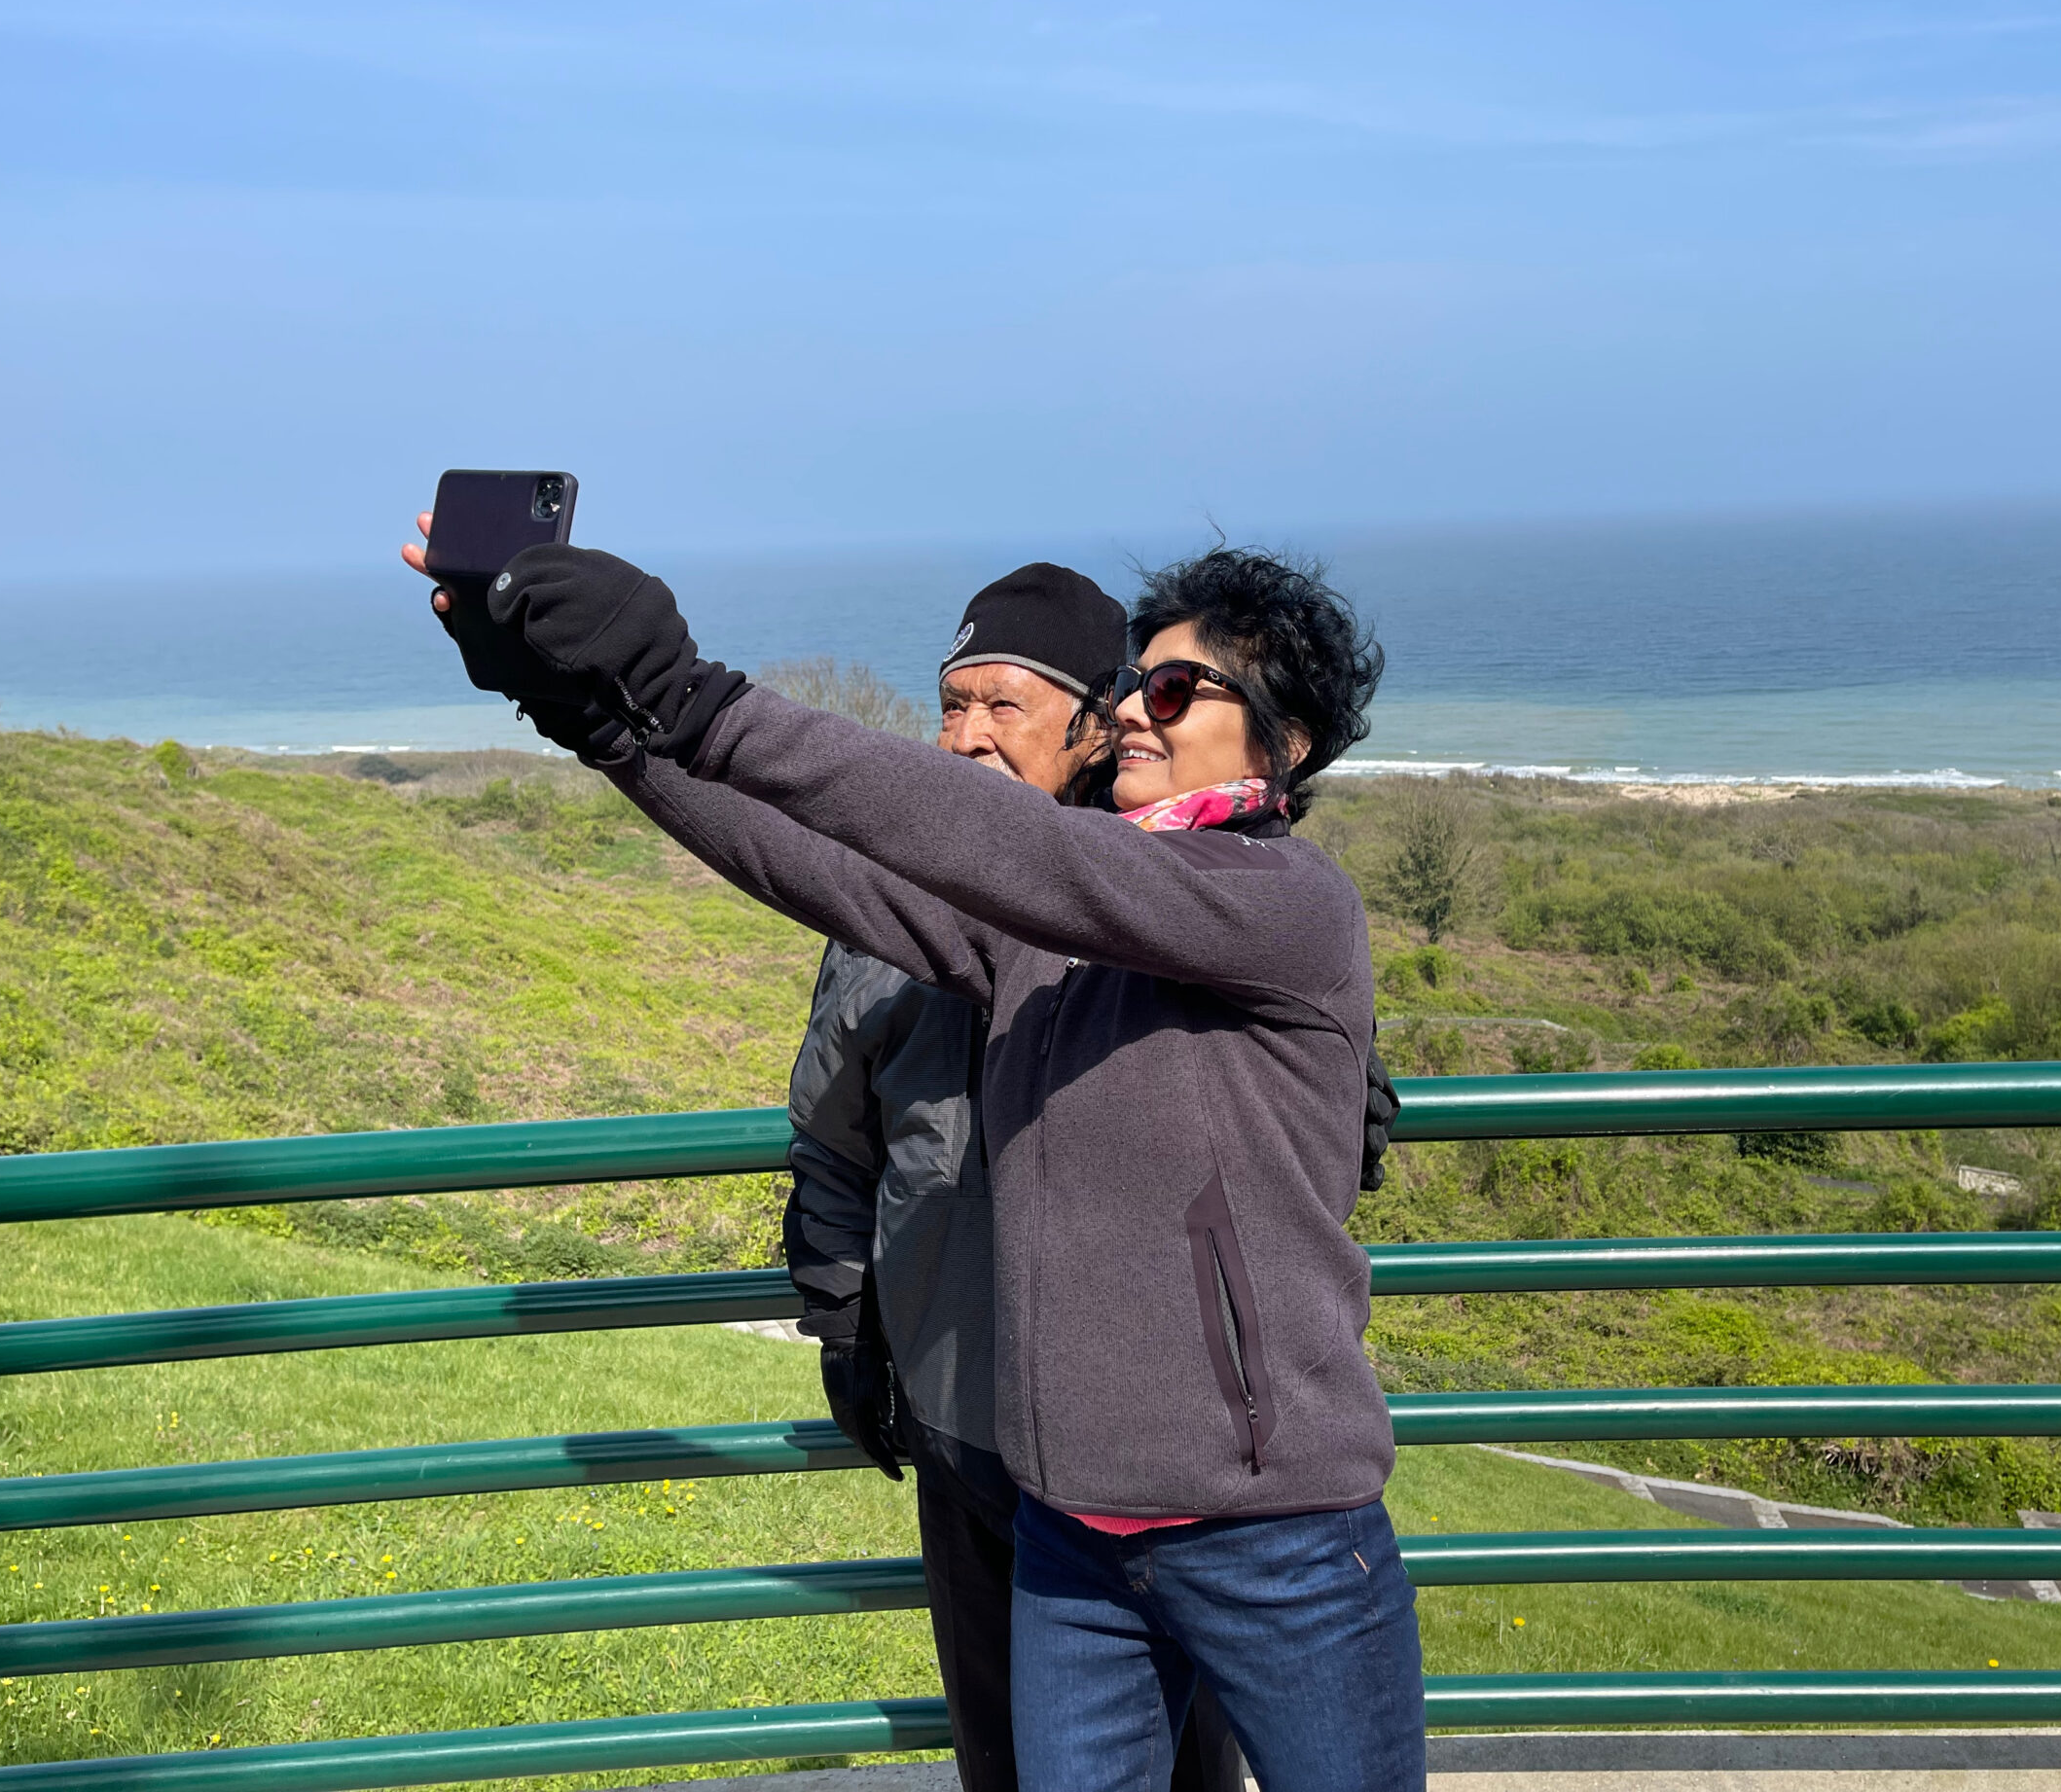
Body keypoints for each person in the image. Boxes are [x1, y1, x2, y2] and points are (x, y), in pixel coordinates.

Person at [407, 532, 1422, 1792]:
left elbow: (1029, 851)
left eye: (1173, 691)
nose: (1133, 713)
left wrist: (688, 691)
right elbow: (812, 863)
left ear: (1289, 743)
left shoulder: (1285, 900)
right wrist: (596, 721)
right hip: (1071, 1536)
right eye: (1132, 687)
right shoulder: (1039, 933)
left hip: (1273, 1540)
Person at [782, 561, 1241, 1792]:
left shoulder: (1176, 889)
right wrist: (847, 1325)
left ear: (1095, 725)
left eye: (1005, 705)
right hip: (964, 1412)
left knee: (1185, 1756)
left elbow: (1311, 1102)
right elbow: (833, 1136)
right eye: (952, 703)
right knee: (1004, 1752)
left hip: (1153, 1437)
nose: (968, 737)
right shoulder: (887, 899)